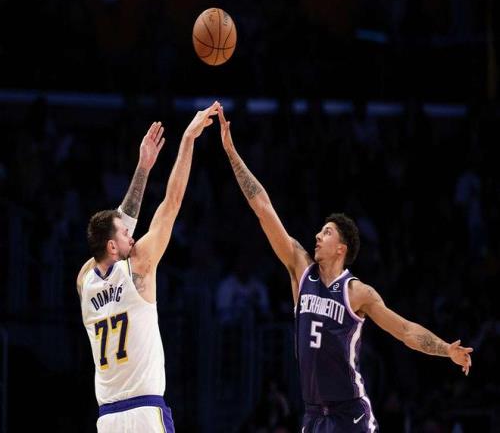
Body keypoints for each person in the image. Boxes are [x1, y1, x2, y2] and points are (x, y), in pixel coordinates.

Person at [216, 107, 473, 433]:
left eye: (326, 233)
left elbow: (405, 331)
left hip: (350, 414)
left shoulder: (357, 292)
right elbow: (263, 208)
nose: (317, 236)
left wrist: (445, 349)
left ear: (342, 248)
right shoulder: (301, 269)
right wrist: (231, 152)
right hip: (313, 414)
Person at [77, 102, 220, 433]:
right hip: (144, 410)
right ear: (112, 246)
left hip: (107, 418)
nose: (132, 234)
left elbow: (115, 228)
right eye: (125, 233)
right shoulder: (138, 266)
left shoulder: (84, 280)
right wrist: (188, 140)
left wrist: (144, 166)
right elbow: (172, 203)